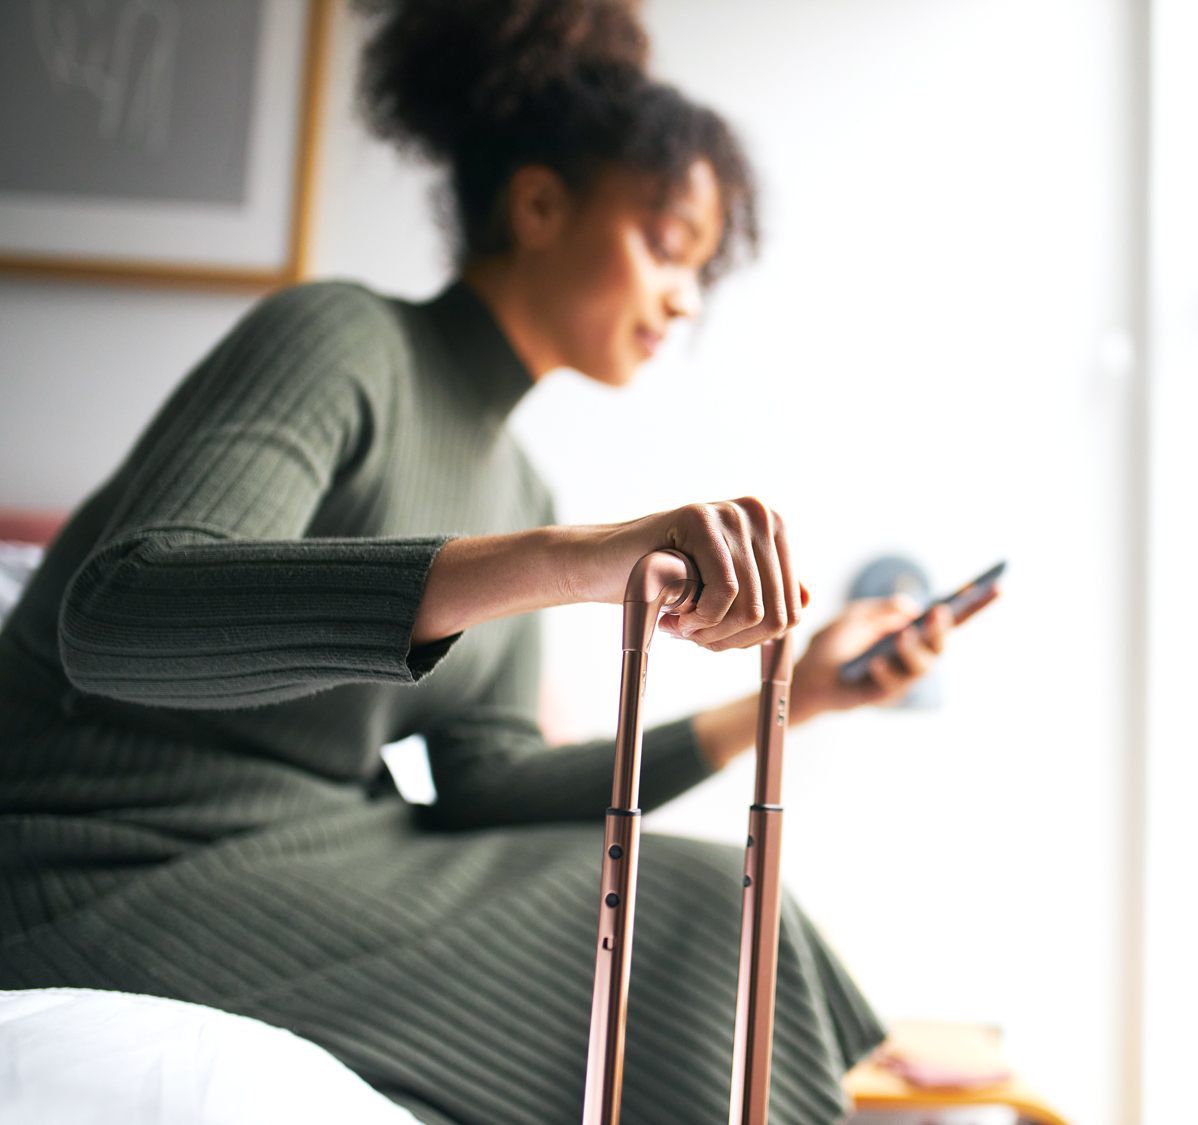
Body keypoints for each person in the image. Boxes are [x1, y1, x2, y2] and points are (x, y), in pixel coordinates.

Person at [0, 2, 952, 1122]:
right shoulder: (341, 341)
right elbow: (118, 615)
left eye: (700, 267)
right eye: (663, 243)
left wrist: (788, 702)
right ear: (539, 204)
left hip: (326, 849)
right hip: (97, 859)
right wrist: (571, 562)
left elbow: (485, 786)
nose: (682, 298)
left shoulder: (519, 487)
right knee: (703, 925)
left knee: (720, 901)